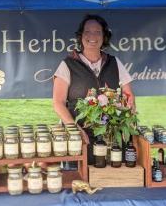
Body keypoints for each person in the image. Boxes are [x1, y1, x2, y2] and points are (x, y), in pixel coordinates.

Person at [53, 14, 135, 164]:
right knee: (82, 176)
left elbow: (129, 97)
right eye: (87, 32)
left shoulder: (114, 63)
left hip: (109, 137)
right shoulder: (68, 64)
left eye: (97, 32)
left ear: (104, 37)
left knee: (111, 174)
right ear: (81, 36)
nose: (92, 36)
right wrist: (74, 129)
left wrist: (127, 115)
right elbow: (58, 103)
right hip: (80, 136)